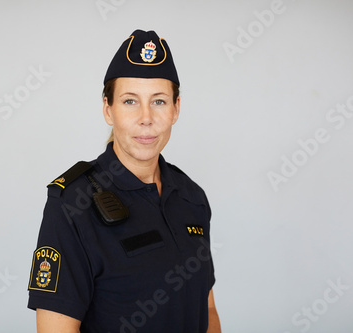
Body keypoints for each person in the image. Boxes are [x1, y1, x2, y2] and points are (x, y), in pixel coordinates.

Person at [27, 29, 221, 333]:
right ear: (108, 109)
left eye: (159, 101)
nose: (146, 117)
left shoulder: (191, 197)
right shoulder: (72, 205)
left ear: (176, 109)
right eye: (130, 101)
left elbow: (207, 309)